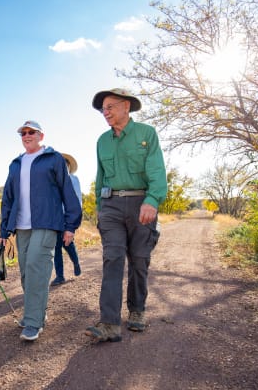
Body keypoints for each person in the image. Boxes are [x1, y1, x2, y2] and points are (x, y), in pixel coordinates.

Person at [85, 88, 167, 342]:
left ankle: (137, 311)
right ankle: (109, 323)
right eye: (102, 109)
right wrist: (100, 207)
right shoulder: (102, 141)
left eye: (110, 107)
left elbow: (156, 170)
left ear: (126, 106)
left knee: (139, 260)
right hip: (111, 207)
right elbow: (100, 177)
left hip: (141, 204)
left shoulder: (146, 134)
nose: (105, 112)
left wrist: (152, 200)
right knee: (112, 259)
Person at [0, 120, 82, 341]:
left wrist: (70, 225)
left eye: (31, 132)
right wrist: (4, 229)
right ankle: (36, 314)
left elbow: (67, 192)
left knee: (37, 267)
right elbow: (8, 198)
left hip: (47, 222)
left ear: (41, 136)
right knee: (26, 272)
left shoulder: (53, 159)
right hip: (21, 226)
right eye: (23, 133)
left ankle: (33, 322)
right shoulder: (15, 163)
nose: (26, 136)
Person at [50, 153, 82, 286]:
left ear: (68, 165)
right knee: (56, 247)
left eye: (65, 163)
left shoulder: (73, 179)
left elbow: (77, 199)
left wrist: (73, 220)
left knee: (68, 243)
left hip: (67, 216)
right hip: (54, 217)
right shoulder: (52, 180)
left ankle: (76, 263)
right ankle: (60, 275)